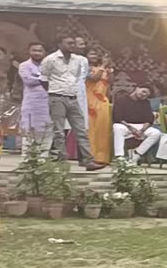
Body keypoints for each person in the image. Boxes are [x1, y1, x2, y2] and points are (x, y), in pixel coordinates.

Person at [43, 36, 103, 170]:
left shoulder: (80, 60)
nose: (72, 45)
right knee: (59, 130)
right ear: (60, 43)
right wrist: (54, 92)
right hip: (57, 97)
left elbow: (84, 78)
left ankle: (88, 161)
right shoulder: (50, 59)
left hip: (74, 98)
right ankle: (62, 160)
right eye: (69, 43)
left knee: (81, 130)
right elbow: (43, 79)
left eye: (73, 43)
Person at [111, 85, 162, 162]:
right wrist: (131, 128)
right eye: (143, 91)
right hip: (126, 125)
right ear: (137, 88)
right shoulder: (122, 99)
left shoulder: (146, 103)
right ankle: (119, 156)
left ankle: (137, 153)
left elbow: (149, 119)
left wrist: (141, 131)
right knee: (117, 127)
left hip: (140, 127)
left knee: (156, 133)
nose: (144, 95)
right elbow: (117, 117)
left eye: (146, 95)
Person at [17, 43, 52, 157]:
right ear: (29, 51)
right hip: (31, 103)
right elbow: (28, 81)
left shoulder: (49, 65)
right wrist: (45, 79)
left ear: (44, 52)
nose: (37, 53)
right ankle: (27, 159)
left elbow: (56, 79)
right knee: (29, 129)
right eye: (34, 50)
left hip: (47, 103)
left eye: (39, 50)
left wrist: (39, 78)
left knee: (47, 130)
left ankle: (43, 157)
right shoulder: (24, 65)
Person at [84, 48, 112, 166]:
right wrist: (103, 65)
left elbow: (109, 83)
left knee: (103, 129)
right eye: (91, 52)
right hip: (90, 100)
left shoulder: (104, 68)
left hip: (103, 101)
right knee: (91, 129)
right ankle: (91, 157)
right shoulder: (84, 67)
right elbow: (94, 79)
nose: (94, 55)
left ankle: (102, 158)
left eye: (96, 53)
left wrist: (109, 70)